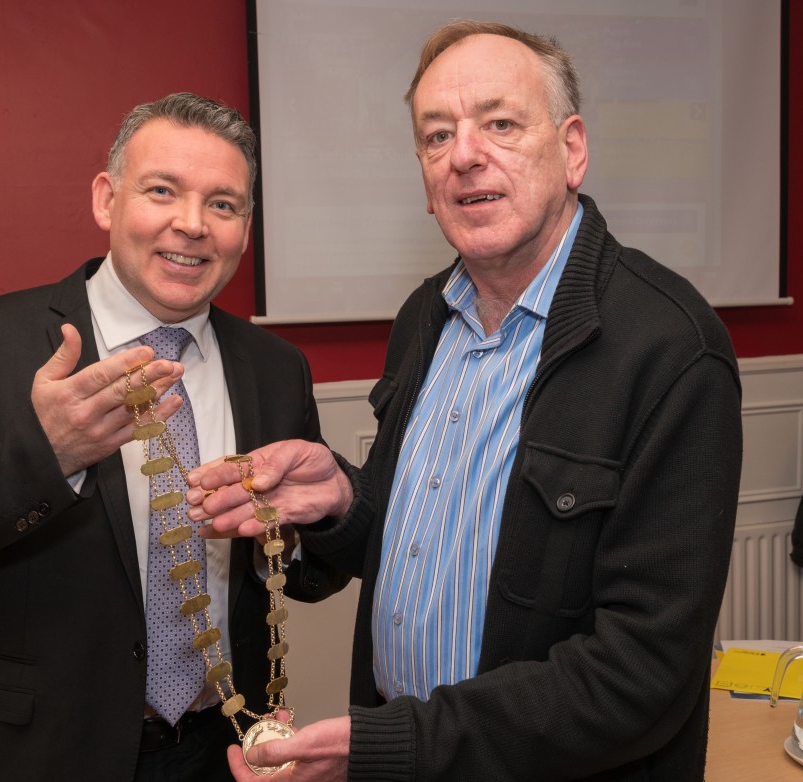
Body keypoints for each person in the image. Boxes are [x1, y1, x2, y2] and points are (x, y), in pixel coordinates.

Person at [187, 20, 743, 781]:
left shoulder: (671, 349)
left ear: (572, 148)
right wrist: (345, 504)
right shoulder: (425, 315)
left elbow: (642, 674)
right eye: (437, 134)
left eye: (501, 123)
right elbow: (427, 542)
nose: (465, 154)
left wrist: (395, 746)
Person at [0, 92, 346, 782]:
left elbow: (311, 576)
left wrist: (321, 519)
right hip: (37, 759)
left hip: (222, 755)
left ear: (245, 227)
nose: (192, 224)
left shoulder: (275, 369)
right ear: (107, 199)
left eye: (223, 205)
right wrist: (44, 457)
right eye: (162, 191)